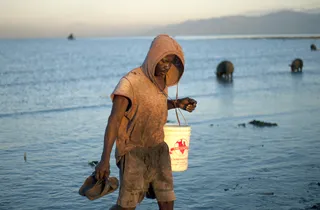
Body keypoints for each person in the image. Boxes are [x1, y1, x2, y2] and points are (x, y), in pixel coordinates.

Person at [95, 34, 197, 210]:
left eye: (170, 62)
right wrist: (104, 159)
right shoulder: (130, 82)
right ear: (153, 56)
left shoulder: (162, 81)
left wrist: (176, 104)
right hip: (133, 152)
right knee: (128, 205)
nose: (166, 66)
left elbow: (151, 107)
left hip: (159, 149)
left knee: (167, 200)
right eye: (163, 60)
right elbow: (114, 120)